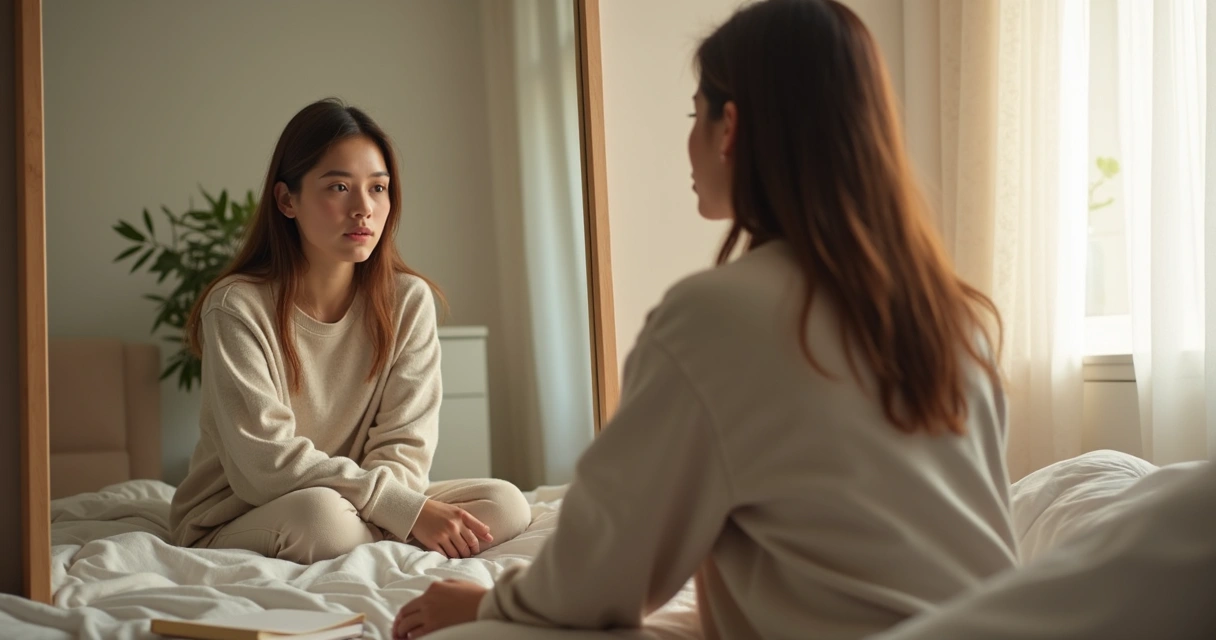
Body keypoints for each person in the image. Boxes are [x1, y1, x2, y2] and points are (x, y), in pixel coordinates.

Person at [394, 0, 1019, 638]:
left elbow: (602, 573)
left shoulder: (718, 315)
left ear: (730, 128)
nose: (690, 139)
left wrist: (483, 604)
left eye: (696, 115)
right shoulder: (954, 317)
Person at [168, 98, 531, 565]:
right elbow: (265, 467)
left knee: (504, 503)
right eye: (339, 186)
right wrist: (400, 512)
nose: (363, 208)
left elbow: (406, 443)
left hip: (357, 504)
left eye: (378, 188)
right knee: (323, 519)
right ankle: (371, 539)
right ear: (286, 200)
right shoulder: (236, 307)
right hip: (239, 511)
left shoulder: (408, 299)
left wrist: (400, 507)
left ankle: (365, 540)